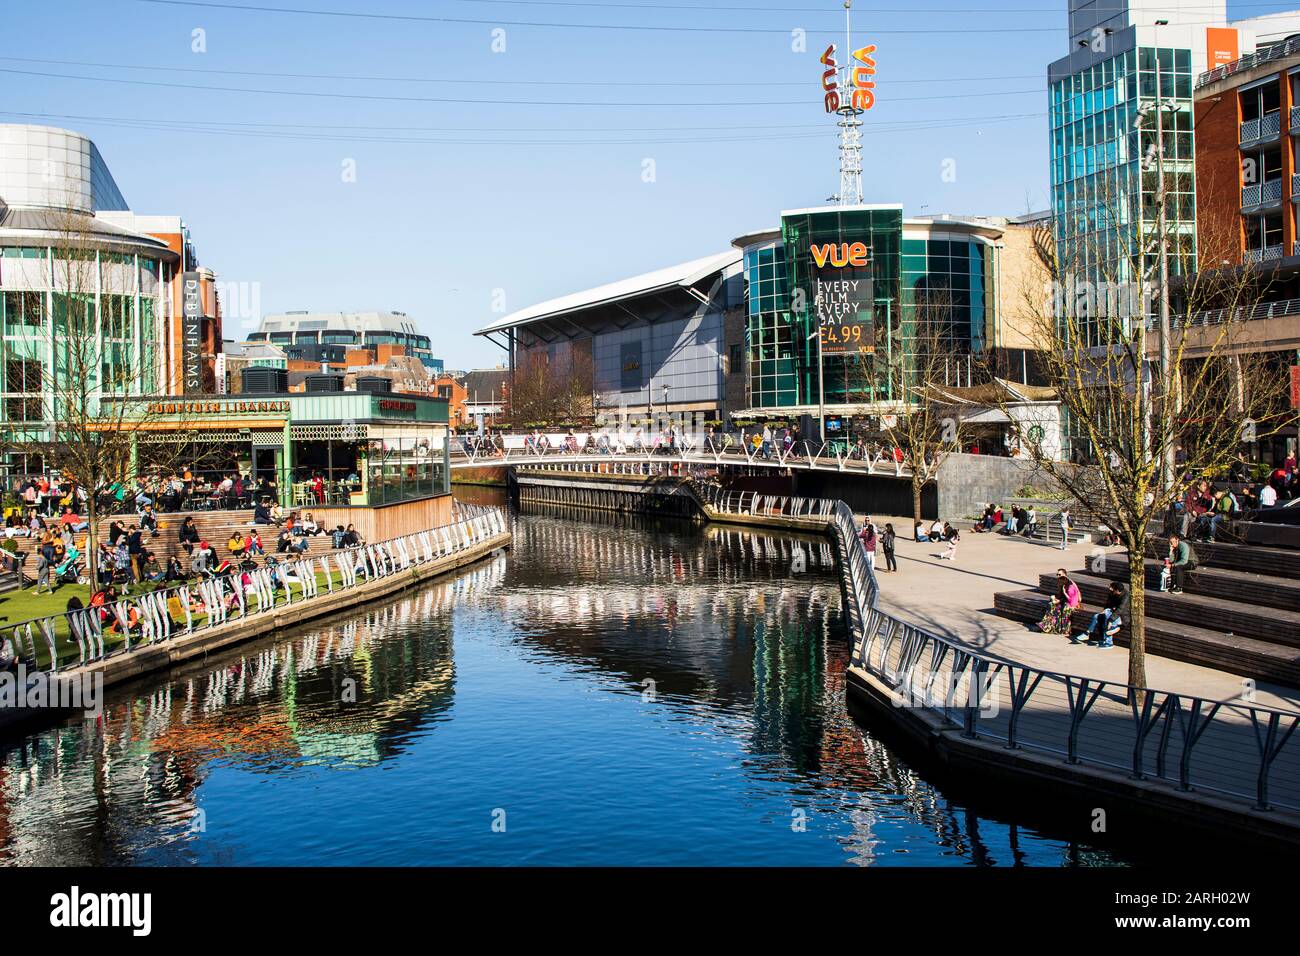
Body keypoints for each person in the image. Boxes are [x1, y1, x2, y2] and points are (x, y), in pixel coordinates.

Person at [1078, 581, 1126, 648]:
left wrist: (1110, 620)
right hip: (1111, 613)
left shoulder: (1125, 596)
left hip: (1122, 617)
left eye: (1111, 588)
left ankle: (1109, 642)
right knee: (1097, 616)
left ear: (1117, 590)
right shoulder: (1112, 593)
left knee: (1107, 621)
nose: (1109, 588)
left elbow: (1120, 610)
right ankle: (1088, 633)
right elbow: (1108, 605)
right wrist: (1103, 611)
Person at [1037, 569, 1082, 635]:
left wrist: (1057, 600)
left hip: (1071, 604)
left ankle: (1049, 627)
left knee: (1054, 607)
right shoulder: (1063, 582)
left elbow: (1071, 598)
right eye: (1057, 574)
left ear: (1065, 575)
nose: (1058, 576)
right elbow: (1062, 596)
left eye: (1059, 574)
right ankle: (1047, 626)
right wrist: (1056, 599)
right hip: (1067, 602)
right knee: (1052, 605)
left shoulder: (1069, 584)